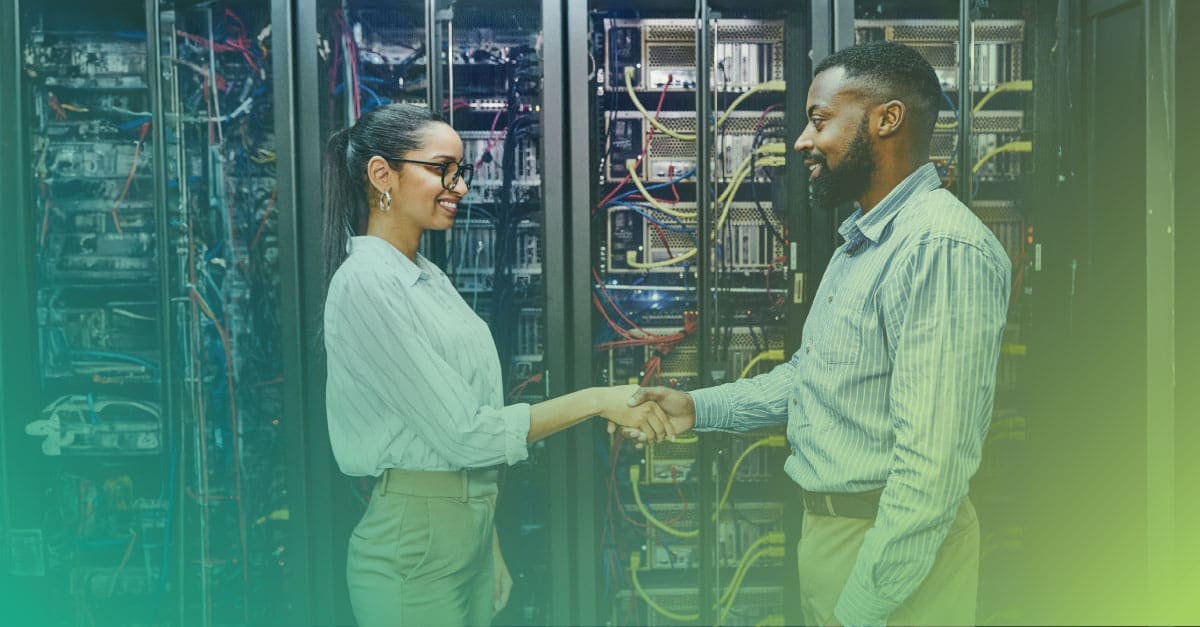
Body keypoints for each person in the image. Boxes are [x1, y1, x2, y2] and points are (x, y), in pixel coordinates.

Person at [626, 41, 1011, 626]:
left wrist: (860, 607)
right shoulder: (865, 239)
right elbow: (812, 378)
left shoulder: (939, 248)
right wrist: (694, 410)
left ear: (886, 119)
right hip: (837, 535)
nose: (803, 141)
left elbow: (931, 471)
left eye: (819, 120)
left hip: (887, 550)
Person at [321, 103, 676, 627]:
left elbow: (466, 438)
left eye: (460, 172)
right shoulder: (367, 284)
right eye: (442, 169)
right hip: (413, 547)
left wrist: (488, 545)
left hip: (463, 533)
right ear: (382, 174)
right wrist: (598, 400)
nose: (459, 187)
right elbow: (465, 434)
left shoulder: (428, 280)